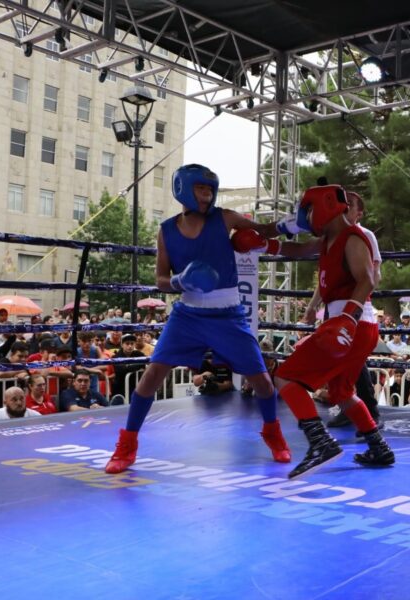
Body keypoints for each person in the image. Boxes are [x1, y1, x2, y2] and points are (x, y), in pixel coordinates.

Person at [104, 164, 291, 474]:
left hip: (228, 313)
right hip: (188, 313)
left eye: (210, 189)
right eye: (201, 189)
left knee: (260, 379)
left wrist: (293, 225)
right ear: (184, 189)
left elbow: (263, 231)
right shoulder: (165, 231)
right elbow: (162, 280)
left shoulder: (225, 218)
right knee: (152, 375)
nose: (207, 195)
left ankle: (273, 434)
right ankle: (127, 444)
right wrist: (180, 282)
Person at [232, 183, 394, 479]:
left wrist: (347, 318)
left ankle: (320, 443)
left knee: (285, 377)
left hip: (351, 323)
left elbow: (368, 280)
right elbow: (300, 249)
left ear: (326, 206)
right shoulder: (331, 239)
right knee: (342, 391)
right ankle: (378, 447)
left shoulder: (353, 237)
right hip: (355, 325)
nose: (306, 218)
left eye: (308, 210)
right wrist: (265, 245)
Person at [301, 191, 381, 430]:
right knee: (344, 367)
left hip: (352, 309)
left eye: (349, 208)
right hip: (334, 309)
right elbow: (325, 279)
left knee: (354, 363)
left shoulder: (362, 235)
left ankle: (370, 415)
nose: (343, 211)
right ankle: (351, 410)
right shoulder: (330, 237)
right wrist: (312, 307)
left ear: (359, 212)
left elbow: (373, 274)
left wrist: (357, 304)